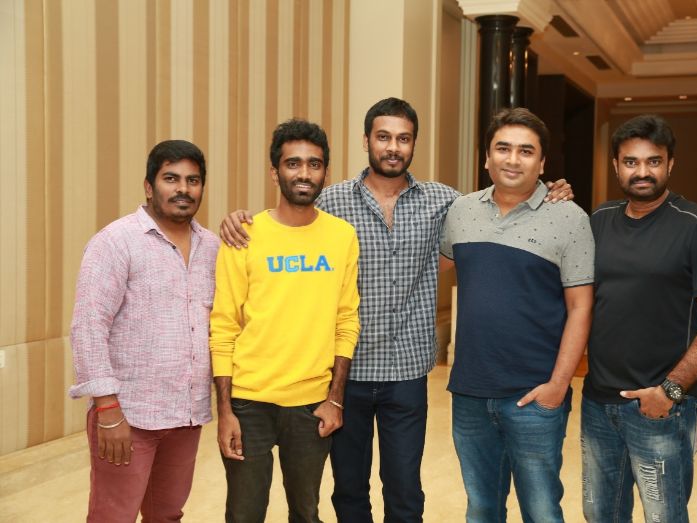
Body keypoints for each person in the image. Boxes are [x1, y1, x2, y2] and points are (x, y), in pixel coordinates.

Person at [219, 98, 573, 522]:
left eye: (403, 139)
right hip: (346, 372)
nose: (392, 147)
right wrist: (239, 218)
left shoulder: (446, 202)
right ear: (366, 141)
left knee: (405, 489)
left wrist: (550, 189)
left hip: (407, 370)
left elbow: (498, 202)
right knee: (349, 489)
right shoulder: (330, 201)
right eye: (383, 137)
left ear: (413, 144)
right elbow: (287, 217)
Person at [440, 107, 594, 522]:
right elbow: (429, 267)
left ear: (542, 164)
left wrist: (558, 385)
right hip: (470, 392)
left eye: (526, 151)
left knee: (541, 511)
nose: (512, 159)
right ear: (486, 158)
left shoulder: (570, 218)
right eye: (502, 148)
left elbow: (581, 307)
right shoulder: (461, 211)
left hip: (534, 394)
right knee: (481, 508)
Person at [581, 114, 697, 523]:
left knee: (663, 516)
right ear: (616, 166)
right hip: (598, 403)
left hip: (662, 406)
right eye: (631, 162)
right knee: (599, 514)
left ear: (670, 164)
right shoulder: (599, 220)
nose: (642, 172)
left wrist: (669, 391)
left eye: (653, 161)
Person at [210, 119, 360, 522]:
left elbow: (346, 321)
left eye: (314, 164)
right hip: (248, 403)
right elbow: (223, 326)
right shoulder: (243, 235)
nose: (304, 173)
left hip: (311, 403)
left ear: (325, 172)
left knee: (306, 514)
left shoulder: (342, 236)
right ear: (275, 172)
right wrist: (225, 411)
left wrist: (335, 398)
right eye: (293, 163)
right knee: (244, 515)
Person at [69, 140, 219, 522]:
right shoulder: (116, 242)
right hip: (128, 416)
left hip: (186, 415)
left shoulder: (213, 248)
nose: (183, 189)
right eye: (171, 178)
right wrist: (108, 410)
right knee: (113, 516)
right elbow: (88, 326)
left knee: (167, 515)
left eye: (193, 180)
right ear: (149, 187)